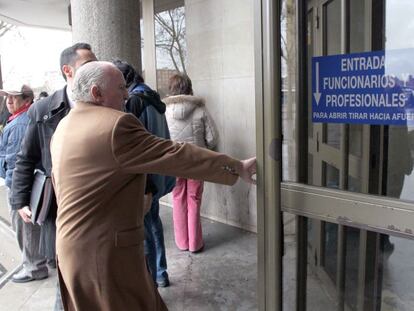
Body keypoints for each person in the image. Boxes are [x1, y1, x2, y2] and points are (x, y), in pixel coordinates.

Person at [50, 61, 256, 311]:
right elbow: (176, 155)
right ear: (97, 93)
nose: (127, 94)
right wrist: (236, 166)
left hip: (72, 250)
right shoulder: (116, 125)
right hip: (104, 256)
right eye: (121, 88)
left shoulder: (64, 125)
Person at [10, 43, 97, 309]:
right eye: (87, 65)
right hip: (60, 210)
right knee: (65, 279)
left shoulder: (106, 102)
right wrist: (19, 200)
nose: (94, 68)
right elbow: (26, 157)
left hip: (99, 207)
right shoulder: (43, 109)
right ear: (67, 71)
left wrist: (146, 189)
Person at [114, 59, 174, 287]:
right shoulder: (152, 97)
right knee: (153, 223)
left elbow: (133, 145)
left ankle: (151, 277)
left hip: (144, 178)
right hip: (157, 173)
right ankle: (161, 272)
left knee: (144, 228)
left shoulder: (135, 101)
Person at [164, 73, 219, 253]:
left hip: (173, 162)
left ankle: (182, 242)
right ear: (189, 87)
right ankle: (195, 244)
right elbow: (212, 138)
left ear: (171, 89)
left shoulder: (164, 111)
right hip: (196, 162)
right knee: (194, 200)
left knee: (178, 199)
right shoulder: (200, 110)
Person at [0, 85, 46, 282]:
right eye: (7, 98)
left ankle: (34, 267)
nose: (9, 101)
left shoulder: (19, 124)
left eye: (14, 97)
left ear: (27, 100)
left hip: (21, 185)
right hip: (27, 184)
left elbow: (17, 164)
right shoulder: (20, 119)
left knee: (25, 228)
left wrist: (16, 194)